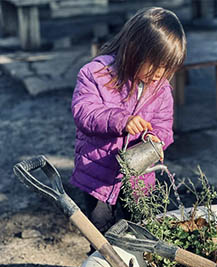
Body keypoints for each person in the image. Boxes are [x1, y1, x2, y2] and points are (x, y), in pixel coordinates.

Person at [70, 7, 186, 234]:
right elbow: (84, 113)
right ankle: (102, 266)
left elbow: (164, 126)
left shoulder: (160, 89)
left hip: (138, 179)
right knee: (101, 233)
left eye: (167, 68)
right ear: (135, 49)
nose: (160, 74)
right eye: (156, 65)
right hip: (98, 175)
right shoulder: (96, 74)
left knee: (143, 229)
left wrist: (154, 139)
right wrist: (120, 120)